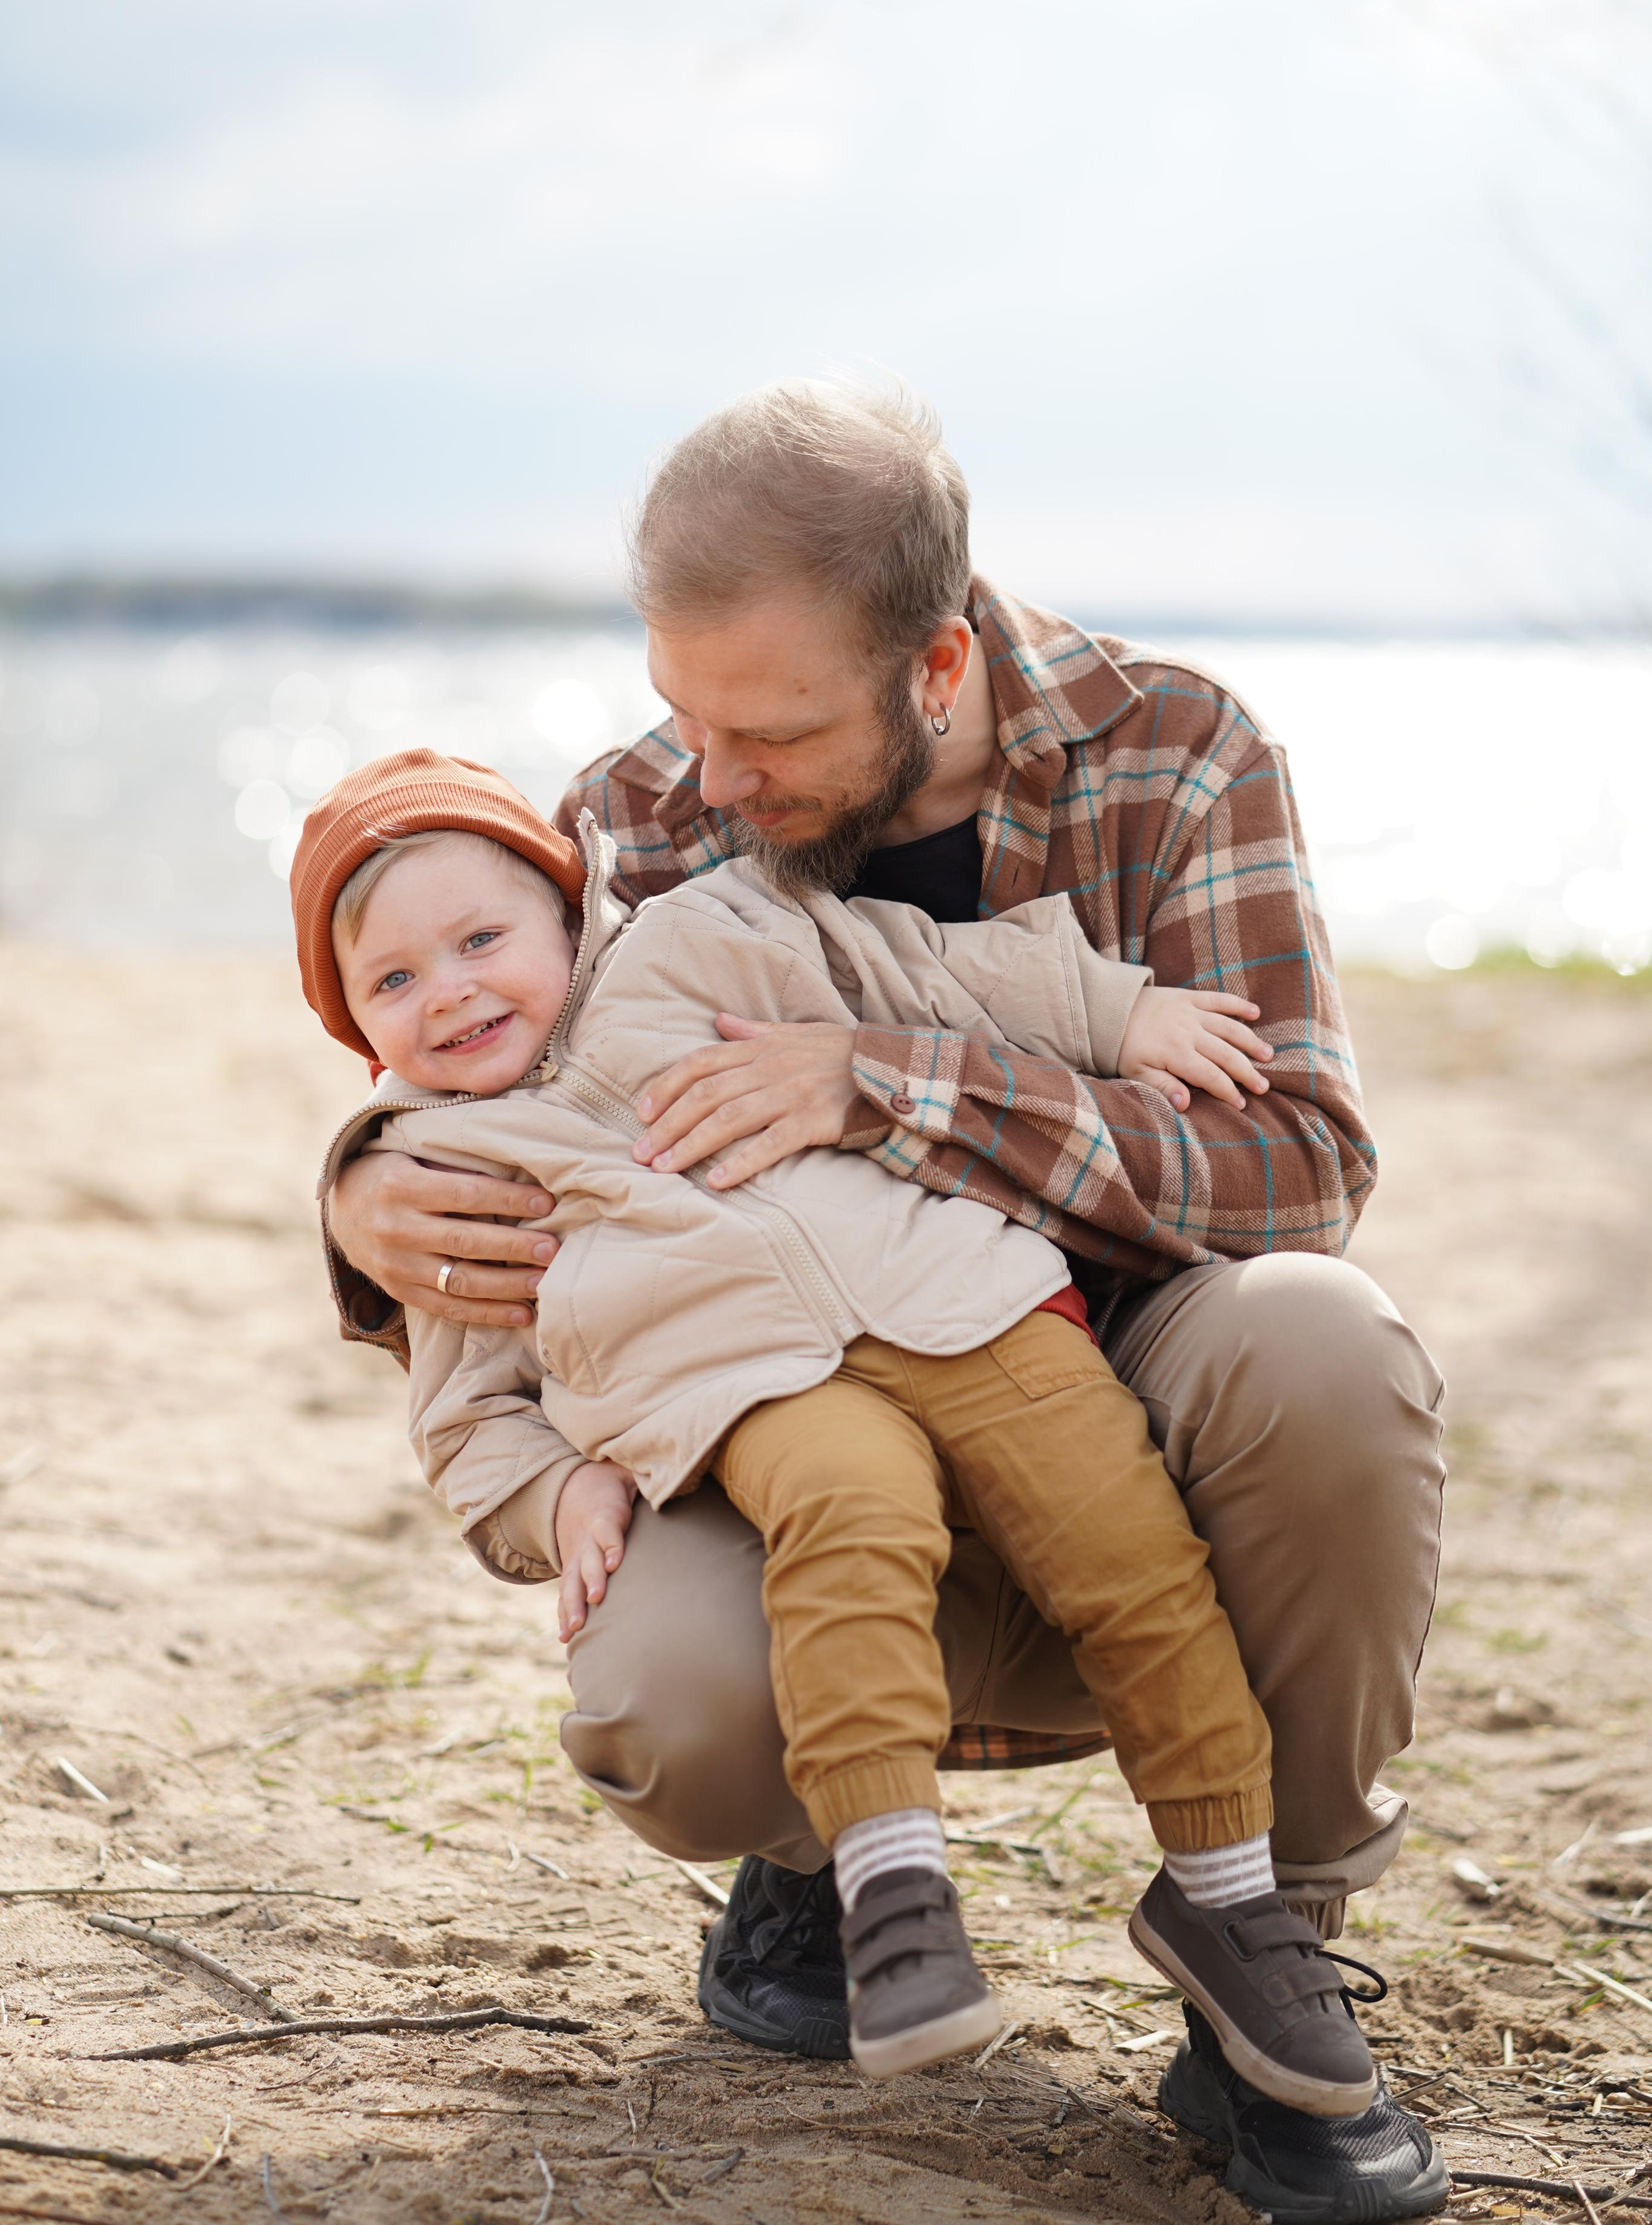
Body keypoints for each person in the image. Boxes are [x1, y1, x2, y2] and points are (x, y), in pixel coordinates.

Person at [323, 381, 1449, 2225]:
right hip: (791, 1409)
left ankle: (1269, 1939)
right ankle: (816, 1850)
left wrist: (892, 1085)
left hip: (1103, 1365)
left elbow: (1298, 1165)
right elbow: (508, 1073)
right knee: (664, 1701)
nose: (707, 780)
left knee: (1326, 1341)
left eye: (767, 734)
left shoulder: (1180, 754)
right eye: (684, 710)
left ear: (934, 667)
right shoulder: (634, 813)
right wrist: (364, 1185)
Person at [294, 748, 1378, 2111]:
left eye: (479, 940)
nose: (449, 991)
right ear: (355, 1027)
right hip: (762, 1396)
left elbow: (924, 972)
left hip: (968, 1300)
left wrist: (1120, 1014)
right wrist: (554, 1492)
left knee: (1131, 1554)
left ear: (570, 911)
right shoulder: (444, 1169)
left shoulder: (706, 936)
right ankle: (894, 1901)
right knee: (848, 1535)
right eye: (393, 981)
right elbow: (464, 1418)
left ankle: (1227, 1892)